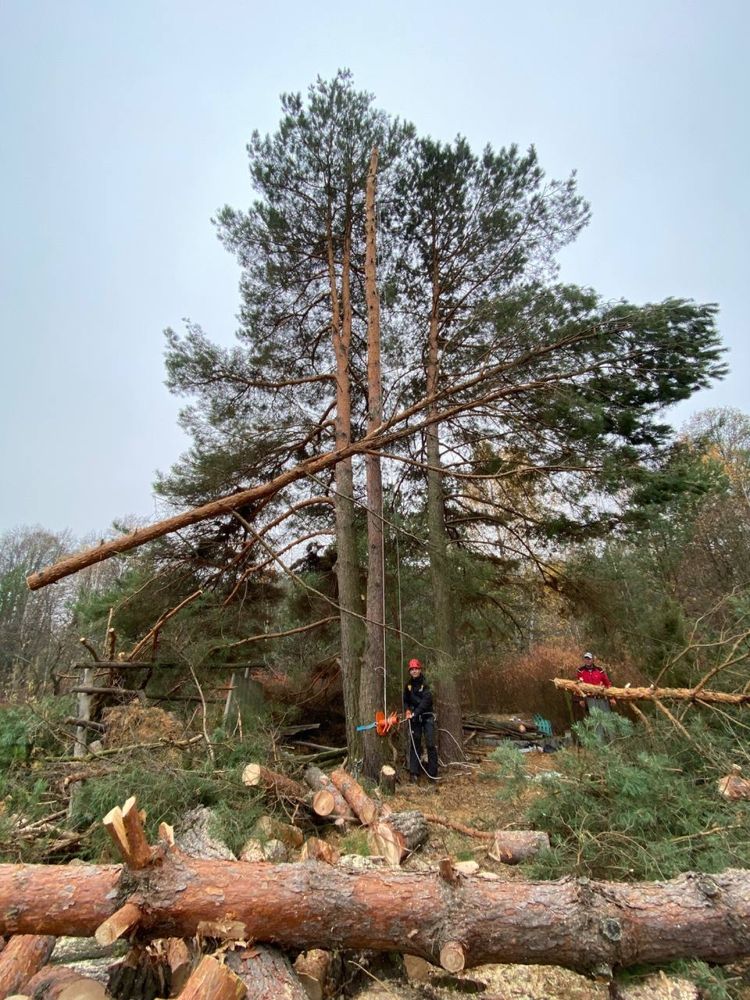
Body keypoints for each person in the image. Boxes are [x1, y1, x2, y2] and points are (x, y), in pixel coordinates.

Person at [403, 658, 438, 783]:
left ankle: (432, 774)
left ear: (420, 669)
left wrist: (415, 712)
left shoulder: (426, 683)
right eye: (412, 669)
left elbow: (426, 701)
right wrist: (407, 710)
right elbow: (405, 700)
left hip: (427, 716)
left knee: (430, 744)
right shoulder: (408, 685)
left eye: (416, 669)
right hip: (414, 718)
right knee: (415, 744)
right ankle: (414, 773)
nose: (414, 671)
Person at [575, 652, 615, 716]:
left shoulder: (599, 670)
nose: (587, 661)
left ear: (592, 660)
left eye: (589, 659)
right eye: (586, 659)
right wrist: (580, 699)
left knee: (607, 718)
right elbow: (578, 686)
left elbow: (607, 684)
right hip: (590, 699)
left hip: (601, 697)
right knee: (595, 719)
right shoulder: (580, 671)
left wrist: (611, 698)